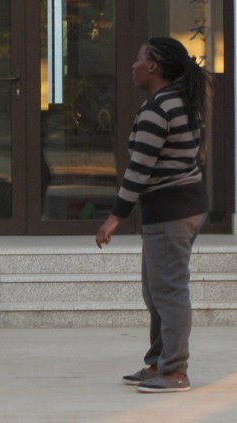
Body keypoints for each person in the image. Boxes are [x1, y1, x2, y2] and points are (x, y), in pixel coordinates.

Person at [95, 37, 209, 393]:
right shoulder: (181, 100)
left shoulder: (158, 109)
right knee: (156, 290)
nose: (133, 65)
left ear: (153, 65)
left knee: (169, 291)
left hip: (171, 210)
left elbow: (139, 169)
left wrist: (115, 217)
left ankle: (174, 371)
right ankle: (159, 361)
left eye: (138, 59)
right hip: (184, 205)